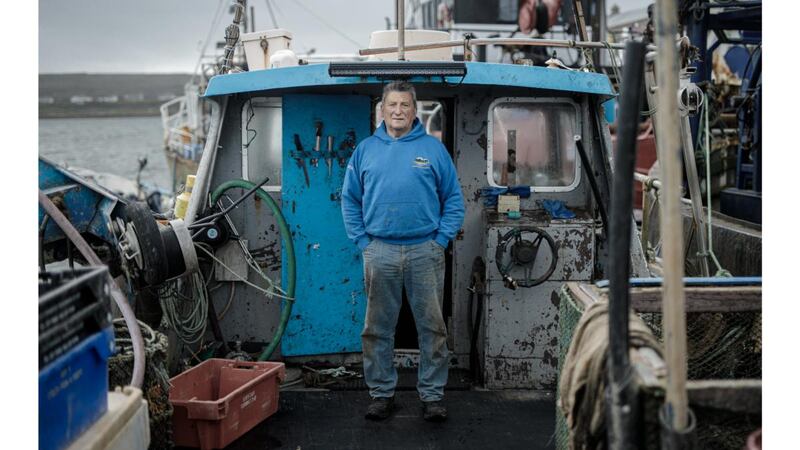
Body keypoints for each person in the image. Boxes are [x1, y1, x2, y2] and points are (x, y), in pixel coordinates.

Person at [341, 81, 465, 422]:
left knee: (432, 327)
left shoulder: (433, 150)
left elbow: (454, 199)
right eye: (392, 105)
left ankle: (432, 396)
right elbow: (350, 199)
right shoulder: (365, 150)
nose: (398, 111)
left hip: (425, 250)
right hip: (379, 250)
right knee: (377, 328)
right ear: (383, 109)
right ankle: (381, 394)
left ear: (414, 111)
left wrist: (440, 240)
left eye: (405, 106)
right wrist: (363, 241)